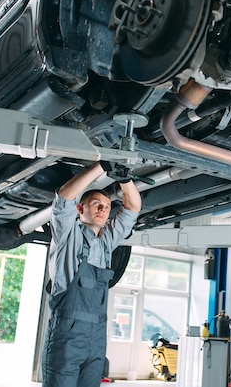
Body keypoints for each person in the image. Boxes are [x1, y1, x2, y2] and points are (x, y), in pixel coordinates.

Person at [42, 161, 141, 387]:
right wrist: (101, 167)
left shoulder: (107, 242)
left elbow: (133, 208)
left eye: (106, 207)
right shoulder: (68, 235)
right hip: (67, 336)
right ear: (81, 209)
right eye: (96, 204)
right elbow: (64, 198)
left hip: (96, 338)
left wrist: (125, 180)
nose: (102, 210)